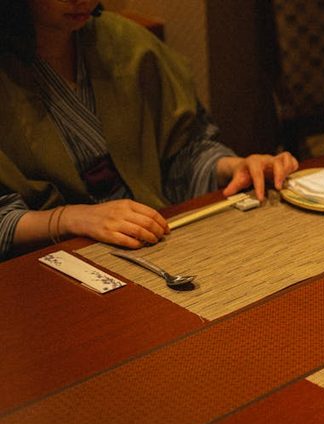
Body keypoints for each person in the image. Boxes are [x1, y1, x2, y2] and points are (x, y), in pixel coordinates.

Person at [0, 0, 298, 260]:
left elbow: (183, 151)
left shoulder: (127, 44)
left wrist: (234, 167)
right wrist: (69, 219)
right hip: (47, 266)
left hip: (152, 235)